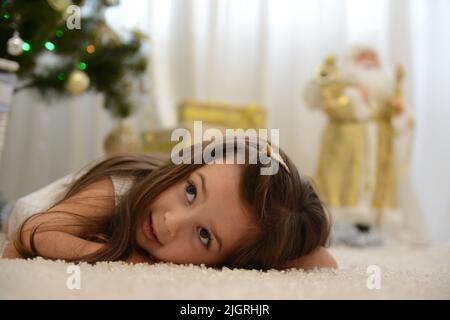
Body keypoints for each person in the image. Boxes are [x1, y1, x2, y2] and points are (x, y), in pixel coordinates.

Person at [2, 137, 337, 270]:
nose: (170, 222)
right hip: (15, 211)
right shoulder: (119, 189)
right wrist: (132, 259)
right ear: (186, 166)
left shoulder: (235, 243)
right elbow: (37, 231)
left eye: (205, 235)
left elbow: (323, 264)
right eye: (191, 191)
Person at [304, 45, 413, 246]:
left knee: (372, 184)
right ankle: (336, 227)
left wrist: (398, 111)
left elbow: (393, 119)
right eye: (364, 57)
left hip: (377, 143)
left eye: (374, 57)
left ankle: (366, 227)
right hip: (344, 141)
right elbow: (331, 106)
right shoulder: (339, 83)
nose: (370, 61)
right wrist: (354, 97)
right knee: (340, 180)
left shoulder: (385, 90)